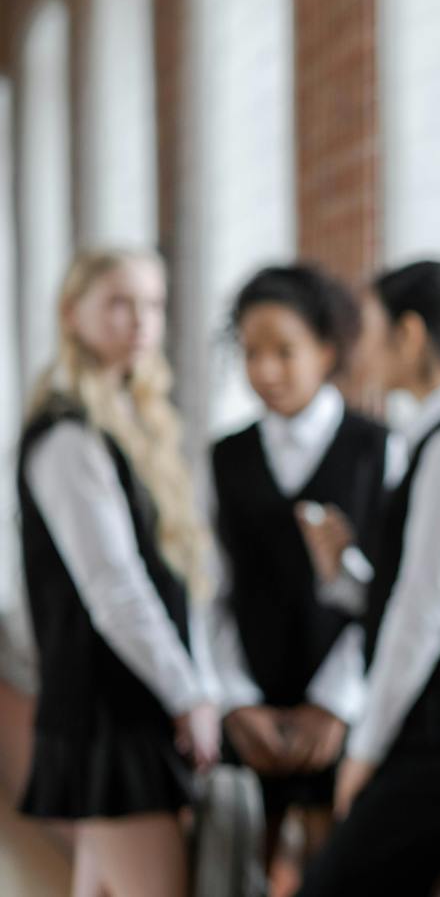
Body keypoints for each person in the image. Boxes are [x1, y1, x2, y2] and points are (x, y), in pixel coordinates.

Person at [295, 261, 440, 896]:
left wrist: (364, 750)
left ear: (410, 336)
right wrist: (344, 568)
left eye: (369, 328)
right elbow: (415, 592)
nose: (358, 348)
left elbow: (424, 613)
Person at [16, 247, 221, 897]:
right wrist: (190, 695)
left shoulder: (130, 420)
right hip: (112, 713)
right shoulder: (68, 434)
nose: (141, 320)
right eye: (120, 303)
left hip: (125, 706)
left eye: (154, 305)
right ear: (72, 313)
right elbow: (113, 587)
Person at [208, 264, 398, 869]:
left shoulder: (379, 447)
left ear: (325, 349)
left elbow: (394, 593)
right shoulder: (223, 456)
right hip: (251, 711)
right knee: (243, 866)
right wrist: (236, 700)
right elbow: (212, 588)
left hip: (347, 708)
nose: (264, 370)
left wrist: (335, 703)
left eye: (283, 351)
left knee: (336, 865)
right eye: (251, 352)